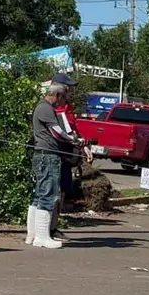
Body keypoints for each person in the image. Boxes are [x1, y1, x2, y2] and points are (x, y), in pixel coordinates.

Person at [26, 83, 77, 249]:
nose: (63, 104)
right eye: (63, 99)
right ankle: (42, 236)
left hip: (43, 155)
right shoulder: (46, 108)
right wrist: (73, 139)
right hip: (47, 155)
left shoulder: (42, 107)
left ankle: (32, 234)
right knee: (48, 194)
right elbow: (57, 132)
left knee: (40, 194)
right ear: (58, 96)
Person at [50, 73, 92, 240]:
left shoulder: (68, 107)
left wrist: (84, 146)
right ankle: (48, 228)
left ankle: (54, 226)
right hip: (57, 153)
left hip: (68, 153)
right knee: (53, 192)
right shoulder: (54, 107)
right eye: (68, 89)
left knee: (62, 192)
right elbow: (61, 131)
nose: (71, 92)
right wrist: (75, 139)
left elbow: (73, 129)